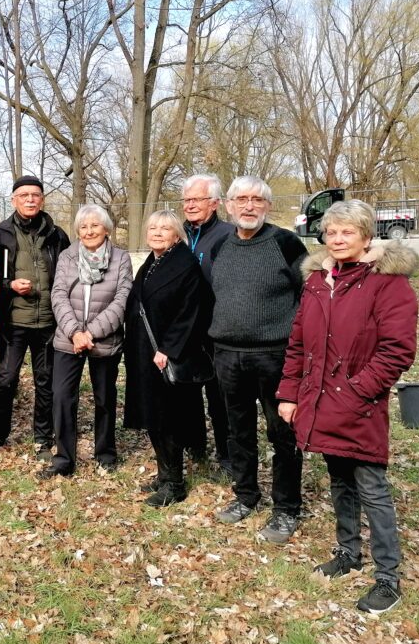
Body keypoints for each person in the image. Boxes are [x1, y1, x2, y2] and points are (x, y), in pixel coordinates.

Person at [277, 200, 418, 614]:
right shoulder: (319, 281)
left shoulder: (387, 283)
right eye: (332, 232)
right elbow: (299, 343)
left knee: (372, 488)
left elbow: (397, 351)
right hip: (319, 400)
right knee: (339, 477)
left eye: (347, 232)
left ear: (366, 236)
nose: (337, 239)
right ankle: (347, 552)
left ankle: (388, 578)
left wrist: (356, 392)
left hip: (360, 404)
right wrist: (289, 393)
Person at [209, 175, 308, 542]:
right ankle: (246, 496)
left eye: (257, 200)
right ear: (229, 205)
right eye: (241, 200)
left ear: (267, 206)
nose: (249, 206)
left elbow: (308, 296)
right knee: (238, 432)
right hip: (228, 355)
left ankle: (286, 509)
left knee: (282, 432)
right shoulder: (222, 246)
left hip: (275, 355)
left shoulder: (285, 243)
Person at [123, 210, 213, 506]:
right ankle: (164, 474)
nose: (157, 232)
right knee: (154, 417)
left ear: (177, 234)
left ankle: (174, 483)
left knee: (168, 418)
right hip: (143, 352)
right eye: (152, 227)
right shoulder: (152, 262)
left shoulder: (184, 264)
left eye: (164, 228)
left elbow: (192, 312)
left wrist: (169, 348)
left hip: (166, 354)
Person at [40, 205, 133, 479]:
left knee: (104, 398)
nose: (89, 231)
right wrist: (74, 333)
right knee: (61, 397)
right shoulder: (68, 256)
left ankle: (105, 453)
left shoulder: (121, 258)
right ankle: (63, 459)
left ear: (106, 229)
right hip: (68, 340)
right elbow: (58, 295)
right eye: (83, 227)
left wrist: (90, 333)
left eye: (95, 226)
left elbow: (122, 299)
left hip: (104, 342)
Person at [0, 175, 71, 456]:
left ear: (42, 199)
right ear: (14, 200)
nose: (30, 200)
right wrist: (9, 285)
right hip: (14, 322)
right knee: (6, 379)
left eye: (35, 195)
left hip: (48, 321)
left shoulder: (57, 234)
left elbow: (68, 274)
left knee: (45, 380)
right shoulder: (1, 233)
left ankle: (43, 436)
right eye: (24, 195)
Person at [181, 173, 235, 474]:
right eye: (187, 200)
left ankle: (227, 454)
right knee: (188, 392)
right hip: (186, 331)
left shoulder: (227, 234)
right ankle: (196, 446)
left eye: (196, 199)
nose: (190, 205)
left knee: (220, 397)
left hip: (216, 330)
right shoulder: (181, 233)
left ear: (213, 203)